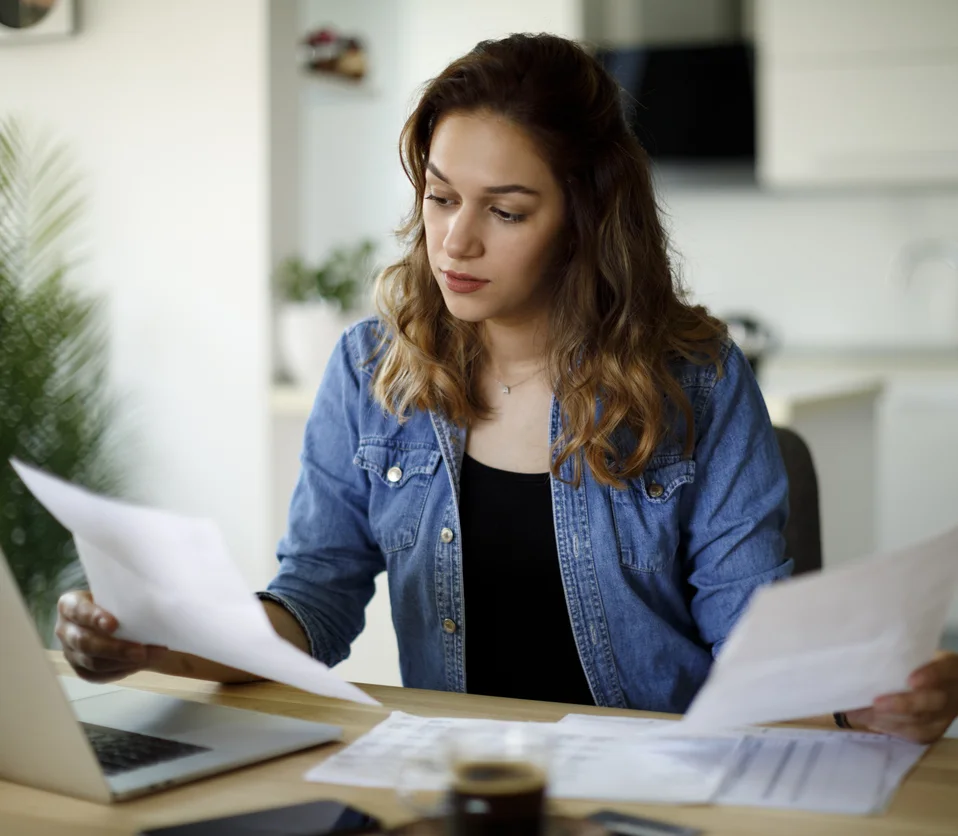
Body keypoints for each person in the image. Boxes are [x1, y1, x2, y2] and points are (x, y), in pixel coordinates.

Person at [56, 33, 958, 743]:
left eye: (507, 210)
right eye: (442, 198)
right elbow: (316, 599)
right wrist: (166, 641)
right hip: (457, 781)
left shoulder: (700, 384)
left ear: (588, 218)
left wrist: (865, 703)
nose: (455, 242)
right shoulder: (372, 373)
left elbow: (753, 650)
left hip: (658, 784)